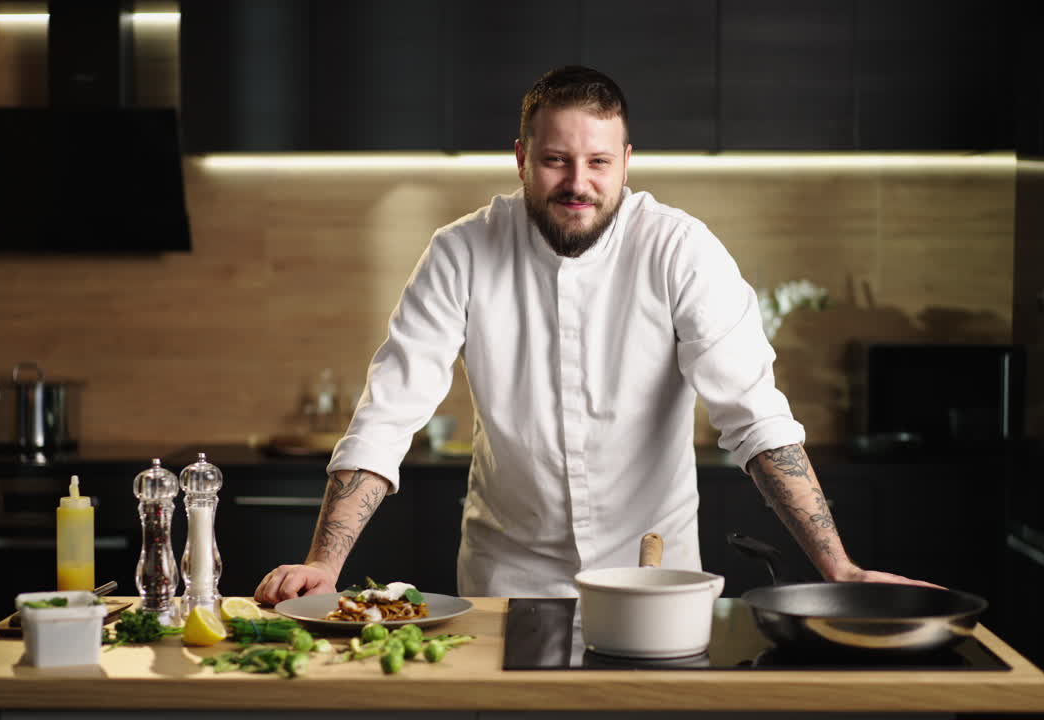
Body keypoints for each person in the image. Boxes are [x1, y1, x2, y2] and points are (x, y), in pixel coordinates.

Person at [255, 65, 933, 603]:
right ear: (521, 158)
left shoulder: (682, 251)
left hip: (654, 582)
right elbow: (389, 413)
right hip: (507, 583)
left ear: (627, 162)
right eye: (556, 160)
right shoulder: (460, 251)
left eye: (599, 163)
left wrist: (837, 567)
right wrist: (324, 561)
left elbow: (755, 419)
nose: (578, 184)